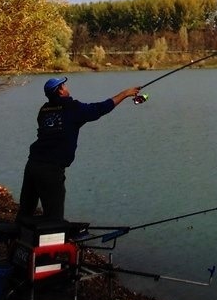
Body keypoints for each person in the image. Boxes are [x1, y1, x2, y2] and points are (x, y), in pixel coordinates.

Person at [17, 76, 142, 221]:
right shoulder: (73, 108)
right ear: (60, 91)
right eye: (63, 85)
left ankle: (16, 239)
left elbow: (62, 126)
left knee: (26, 209)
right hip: (51, 168)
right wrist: (125, 94)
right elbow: (101, 108)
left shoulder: (44, 110)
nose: (66, 87)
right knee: (53, 216)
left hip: (32, 164)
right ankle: (51, 239)